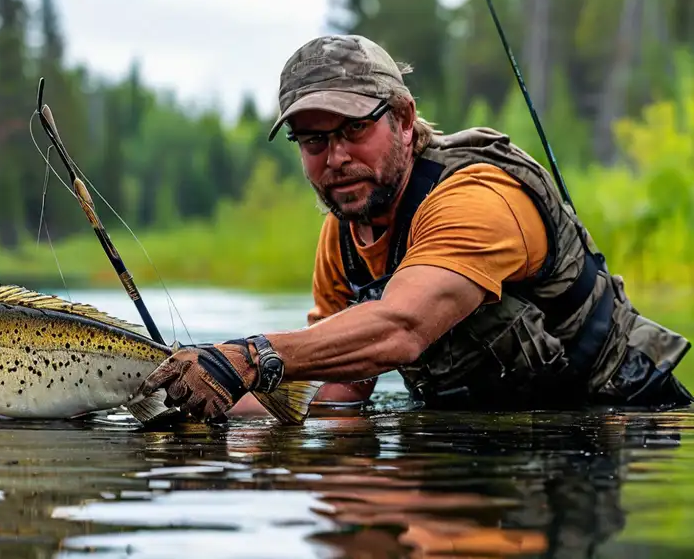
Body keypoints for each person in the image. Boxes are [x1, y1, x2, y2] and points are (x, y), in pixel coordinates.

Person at [138, 34, 692, 421]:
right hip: (493, 459)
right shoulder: (344, 238)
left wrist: (246, 359)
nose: (335, 158)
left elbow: (402, 328)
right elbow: (338, 389)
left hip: (627, 433)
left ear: (403, 118)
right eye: (313, 141)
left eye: (354, 129)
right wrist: (181, 396)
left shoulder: (476, 199)